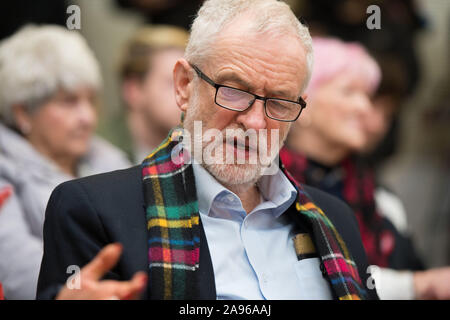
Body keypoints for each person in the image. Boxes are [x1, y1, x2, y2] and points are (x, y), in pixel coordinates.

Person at [37, 0, 378, 300]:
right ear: (184, 86)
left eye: (279, 102)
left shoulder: (334, 218)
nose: (255, 122)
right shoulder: (94, 211)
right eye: (233, 90)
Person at [280, 37, 450, 300]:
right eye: (349, 92)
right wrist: (417, 285)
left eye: (367, 95)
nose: (364, 107)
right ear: (303, 103)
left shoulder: (378, 196)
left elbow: (413, 266)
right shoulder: (270, 190)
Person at [0, 25, 131, 299]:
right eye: (69, 102)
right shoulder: (4, 170)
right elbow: (21, 278)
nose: (87, 118)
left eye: (90, 101)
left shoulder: (111, 159)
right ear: (23, 112)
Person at [116, 25, 189, 163]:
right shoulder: (98, 156)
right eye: (172, 83)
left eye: (188, 83)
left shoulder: (198, 151)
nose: (187, 94)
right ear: (133, 90)